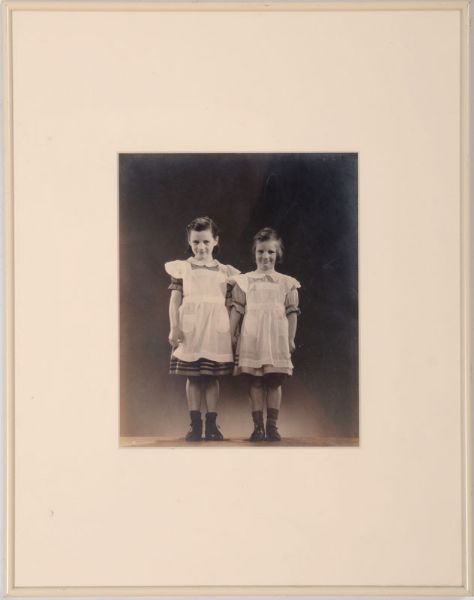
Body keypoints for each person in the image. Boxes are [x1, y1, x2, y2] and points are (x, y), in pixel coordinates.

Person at [165, 216, 239, 441]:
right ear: (189, 241)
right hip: (191, 329)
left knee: (212, 377)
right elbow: (175, 300)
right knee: (194, 377)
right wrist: (174, 327)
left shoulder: (226, 271)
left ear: (216, 241)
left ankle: (212, 425)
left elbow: (231, 304)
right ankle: (195, 425)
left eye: (206, 242)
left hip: (216, 329)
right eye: (196, 242)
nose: (201, 247)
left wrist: (232, 331)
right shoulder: (183, 268)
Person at [230, 228, 300, 442]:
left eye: (271, 252)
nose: (265, 256)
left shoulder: (287, 283)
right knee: (256, 382)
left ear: (278, 254)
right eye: (261, 251)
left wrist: (290, 338)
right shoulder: (245, 281)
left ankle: (272, 426)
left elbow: (292, 313)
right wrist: (231, 333)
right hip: (252, 337)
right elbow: (237, 309)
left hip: (276, 338)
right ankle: (258, 427)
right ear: (254, 252)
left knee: (274, 382)